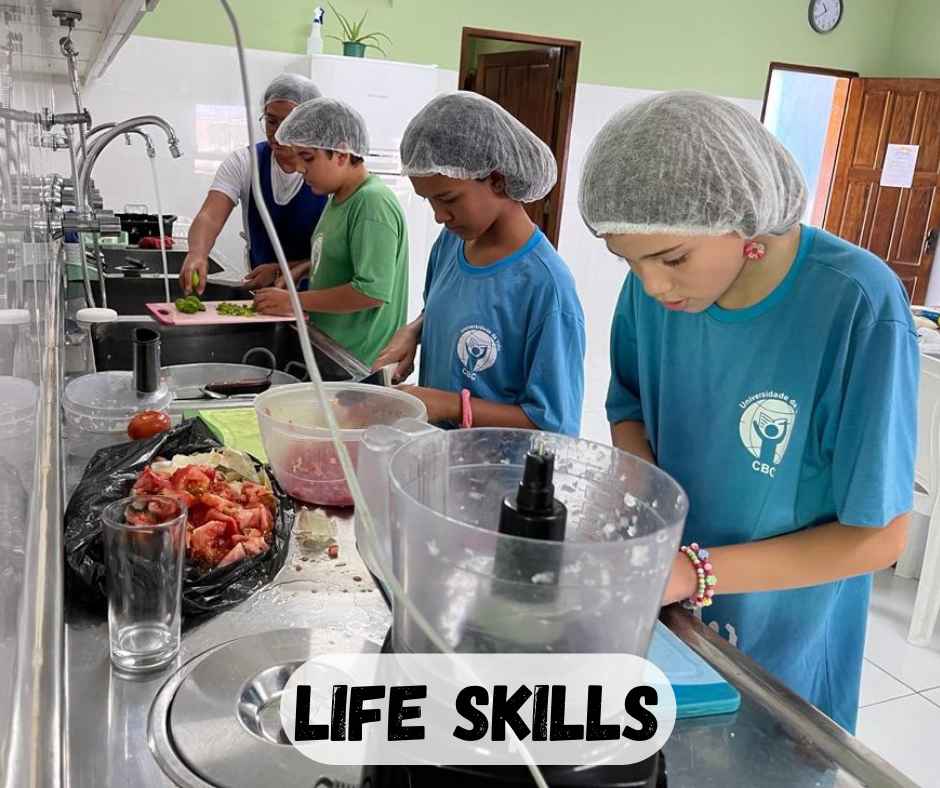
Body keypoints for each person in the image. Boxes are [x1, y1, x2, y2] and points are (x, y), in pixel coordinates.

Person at [578, 90, 918, 733]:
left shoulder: (854, 304)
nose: (652, 285)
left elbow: (879, 534)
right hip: (670, 622)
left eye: (672, 258)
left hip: (780, 655)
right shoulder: (655, 295)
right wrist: (645, 502)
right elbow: (629, 408)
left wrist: (693, 572)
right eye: (629, 261)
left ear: (747, 224)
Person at [373, 91, 586, 436]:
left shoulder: (546, 287)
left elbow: (553, 425)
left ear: (498, 180)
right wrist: (414, 332)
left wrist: (449, 405)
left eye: (447, 199)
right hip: (436, 457)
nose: (440, 216)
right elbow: (449, 309)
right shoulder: (451, 244)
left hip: (495, 477)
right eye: (429, 201)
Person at [253, 98, 408, 368]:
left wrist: (294, 301)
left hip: (359, 362)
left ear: (341, 152)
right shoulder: (338, 198)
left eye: (308, 158)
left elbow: (371, 291)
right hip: (333, 349)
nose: (300, 169)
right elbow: (348, 253)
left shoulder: (372, 202)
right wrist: (298, 267)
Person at [179, 73, 326, 295]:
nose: (277, 133)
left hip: (319, 295)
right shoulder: (246, 162)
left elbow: (338, 255)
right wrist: (197, 253)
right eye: (271, 120)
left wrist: (280, 272)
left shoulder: (327, 171)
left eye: (289, 123)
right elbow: (210, 215)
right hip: (264, 294)